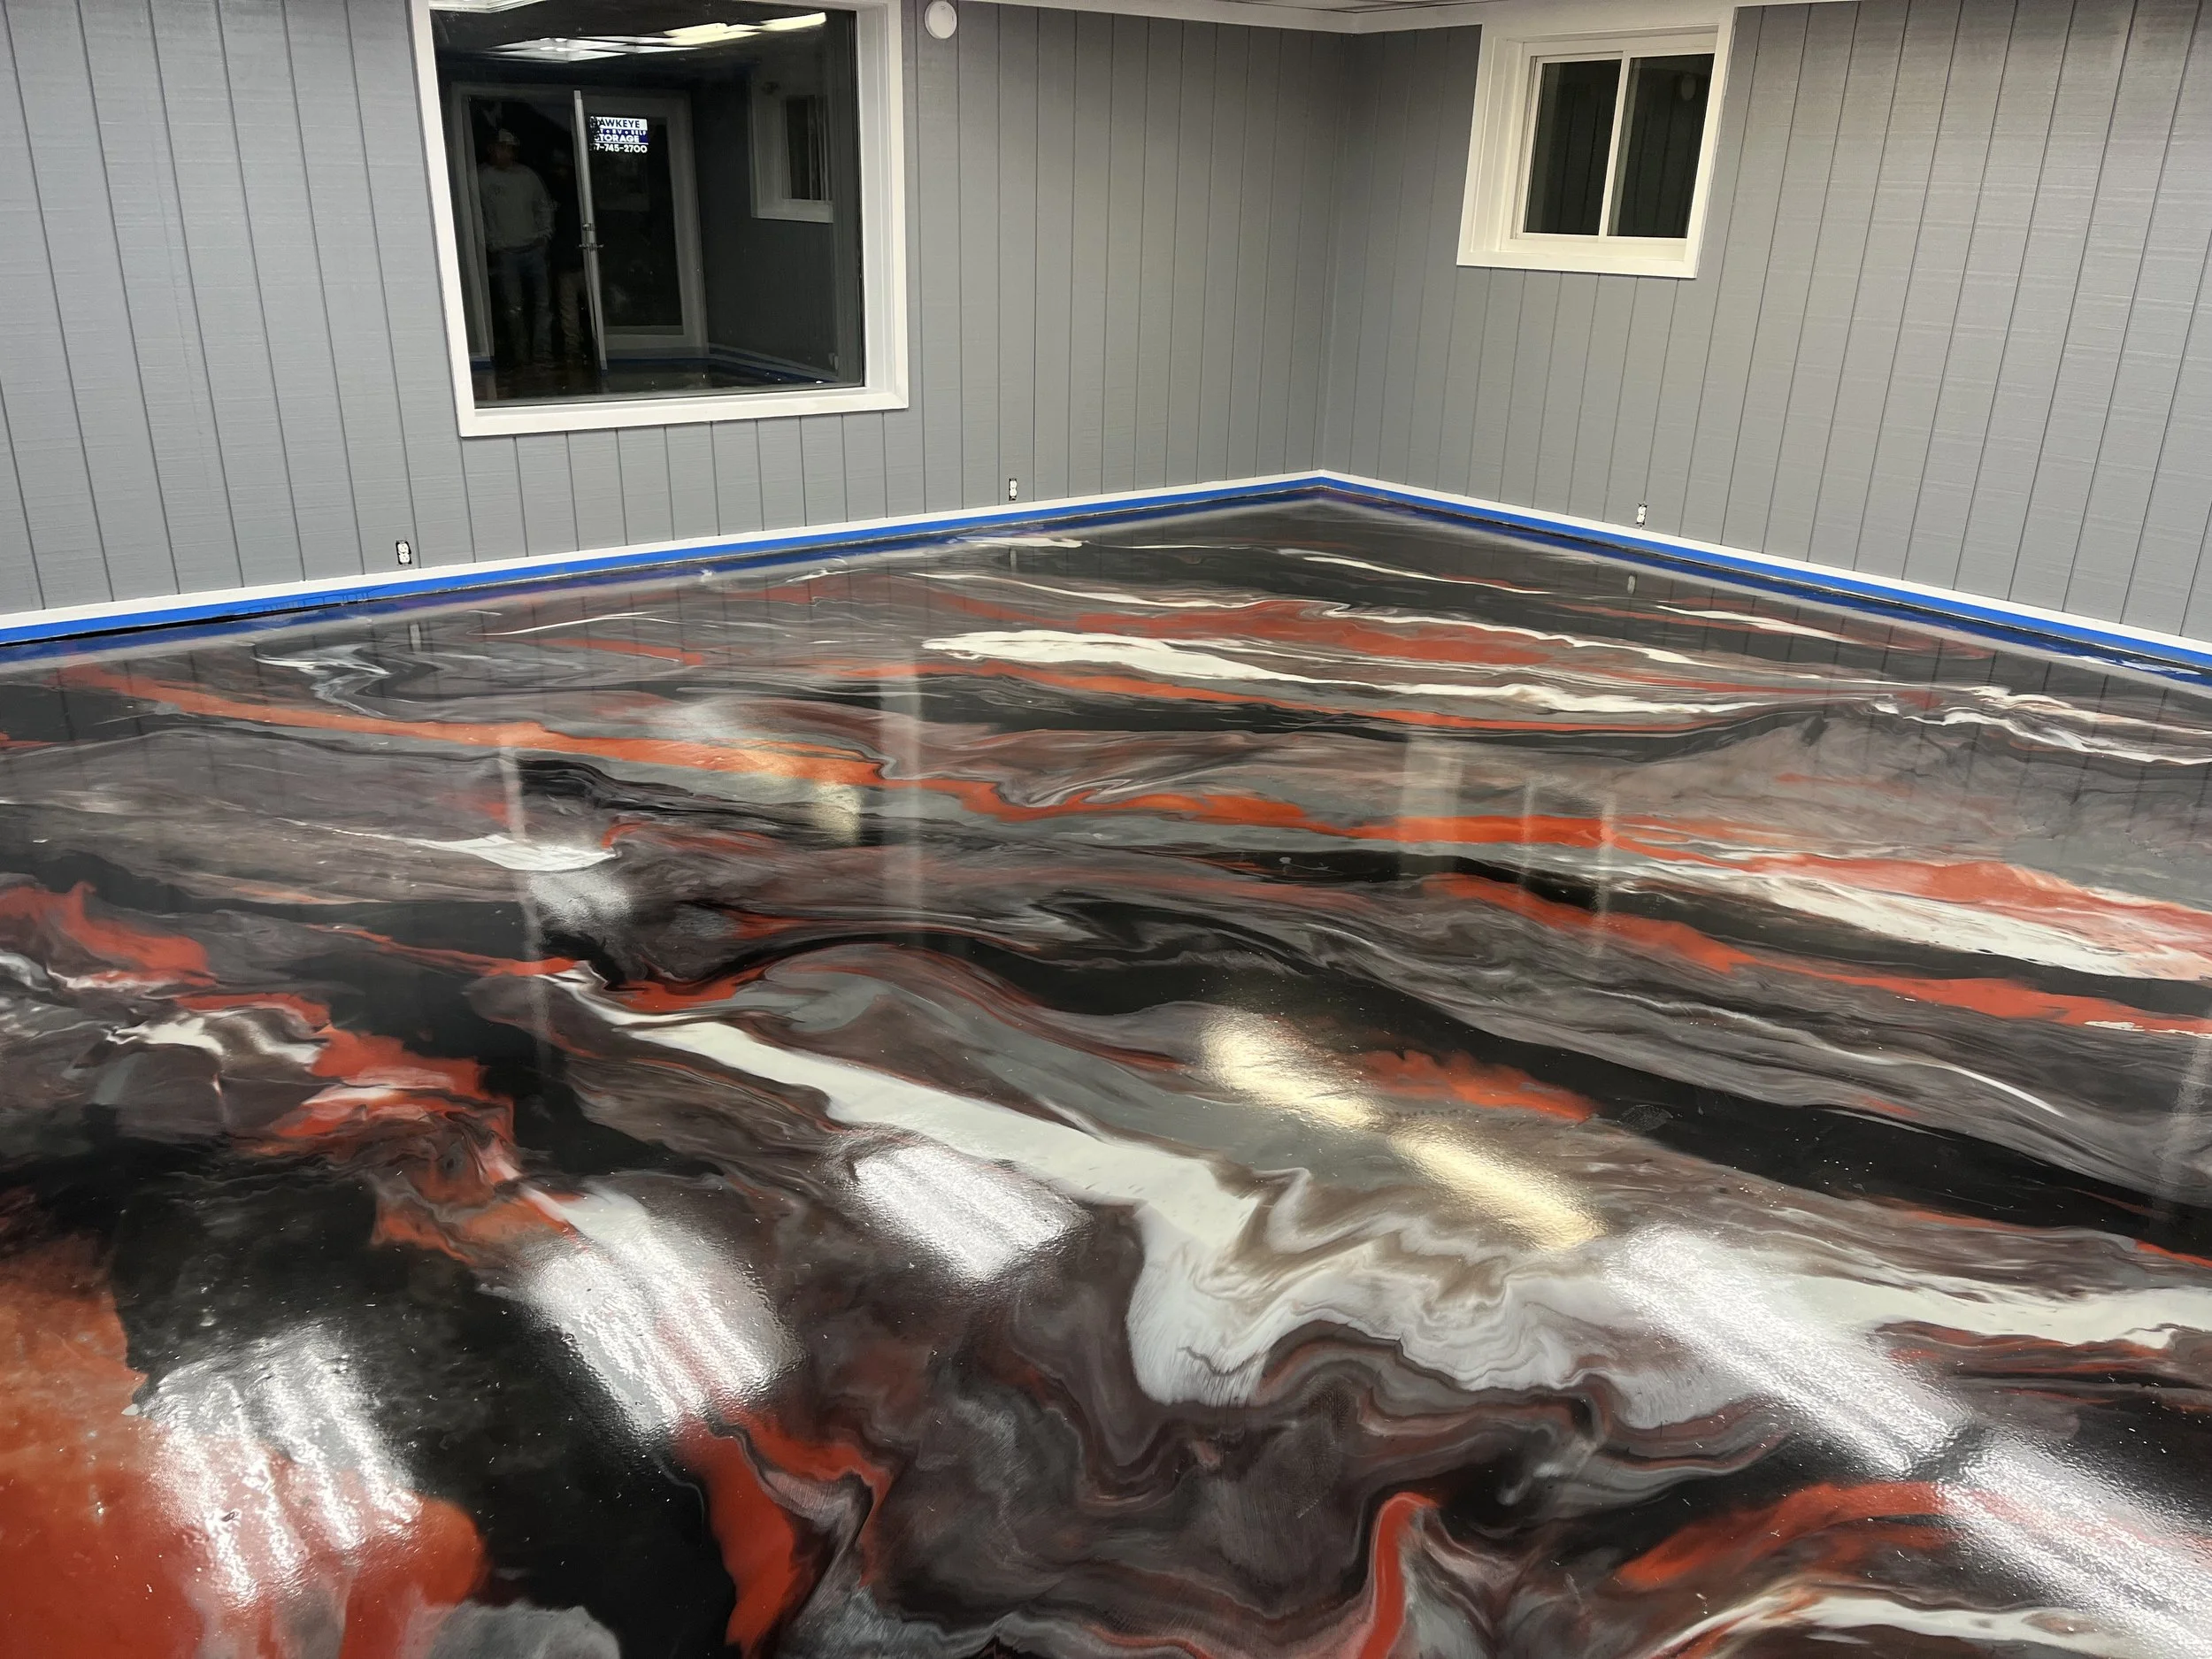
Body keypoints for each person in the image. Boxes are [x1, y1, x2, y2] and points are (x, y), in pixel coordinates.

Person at [478, 130, 556, 367]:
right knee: (514, 308)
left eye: (511, 148)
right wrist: (489, 244)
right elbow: (474, 212)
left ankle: (542, 354)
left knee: (543, 304)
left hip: (533, 249)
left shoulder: (528, 176)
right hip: (505, 253)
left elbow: (544, 206)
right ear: (491, 148)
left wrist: (545, 235)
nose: (507, 152)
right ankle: (521, 358)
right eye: (502, 147)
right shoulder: (480, 178)